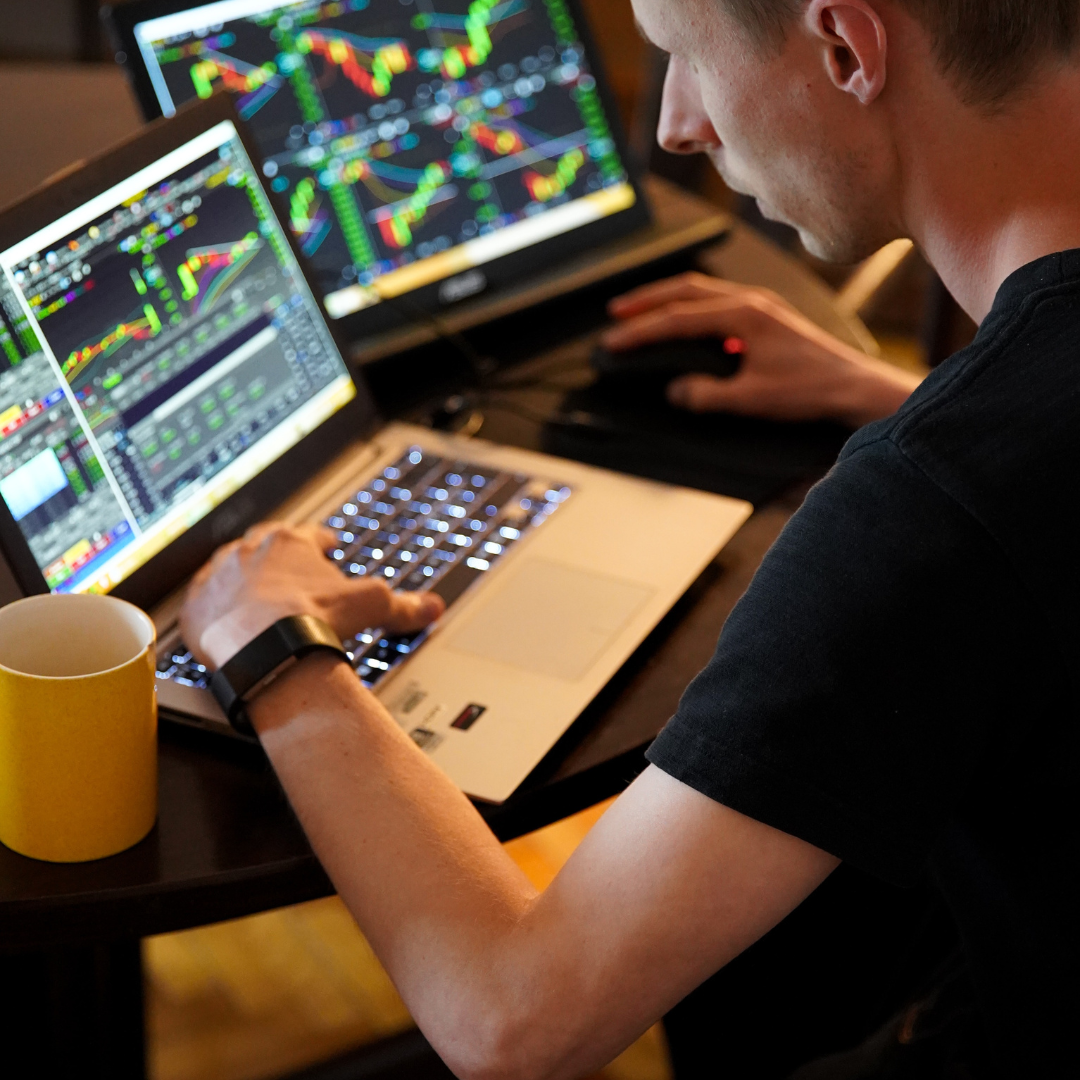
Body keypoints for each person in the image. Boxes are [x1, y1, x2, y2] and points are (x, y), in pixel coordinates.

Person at [181, 2, 1080, 1076]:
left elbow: (513, 1023)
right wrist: (898, 396)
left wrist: (277, 647)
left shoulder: (927, 512)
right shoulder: (989, 467)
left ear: (846, 46)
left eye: (684, 57)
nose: (676, 125)